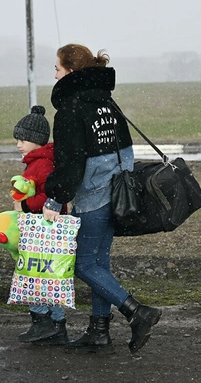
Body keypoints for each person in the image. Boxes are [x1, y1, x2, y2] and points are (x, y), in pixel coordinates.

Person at [42, 43, 162, 354]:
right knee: (100, 264)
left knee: (83, 265)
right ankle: (99, 329)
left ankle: (137, 311)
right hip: (116, 196)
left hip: (92, 200)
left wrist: (55, 200)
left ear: (70, 71)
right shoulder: (107, 104)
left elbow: (71, 163)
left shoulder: (70, 109)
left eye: (57, 69)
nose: (54, 75)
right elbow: (126, 152)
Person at [11, 105, 69, 345]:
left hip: (42, 229)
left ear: (36, 141)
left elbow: (49, 197)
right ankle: (57, 325)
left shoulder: (42, 165)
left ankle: (42, 321)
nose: (18, 144)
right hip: (46, 230)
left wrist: (24, 205)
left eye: (22, 139)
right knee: (47, 279)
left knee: (34, 276)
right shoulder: (41, 161)